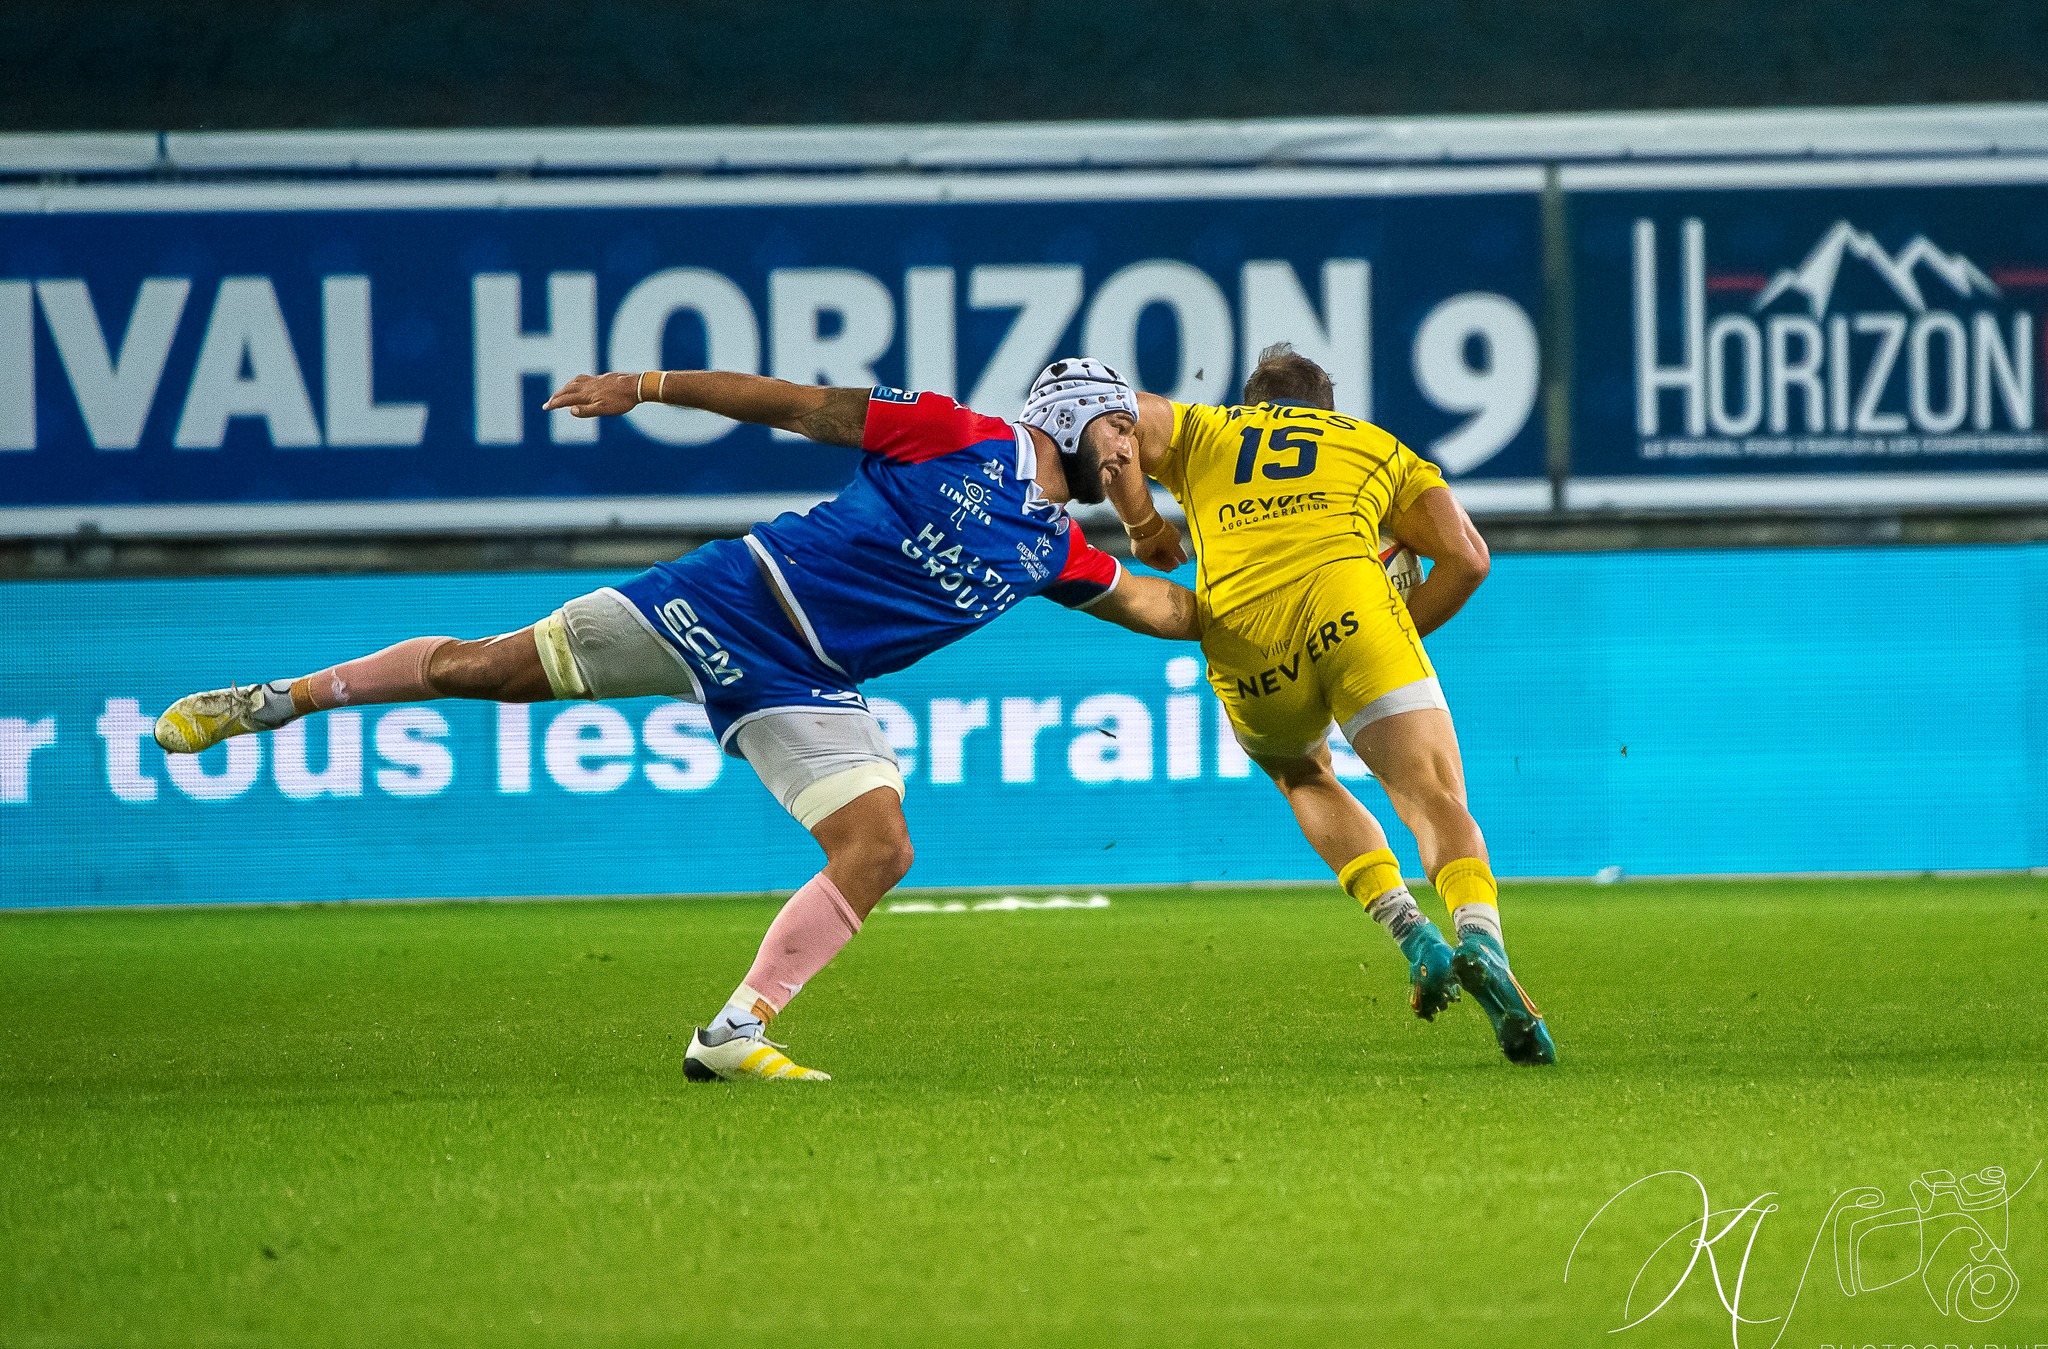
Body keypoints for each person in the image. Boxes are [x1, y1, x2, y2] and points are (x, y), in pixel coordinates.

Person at [155, 359, 1200, 1081]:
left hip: (808, 678)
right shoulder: (961, 434)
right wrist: (645, 388)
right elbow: (793, 404)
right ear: (1077, 416)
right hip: (727, 599)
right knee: (487, 669)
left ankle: (734, 1033)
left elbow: (1166, 608)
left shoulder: (1058, 550)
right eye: (1125, 423)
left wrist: (1295, 595)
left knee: (878, 846)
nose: (1137, 441)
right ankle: (277, 701)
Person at [1108, 343, 1554, 1065]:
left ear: (1250, 405)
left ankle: (1412, 933)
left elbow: (1114, 427)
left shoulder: (1203, 430)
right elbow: (1469, 557)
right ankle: (1478, 937)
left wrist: (1145, 528)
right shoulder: (1372, 445)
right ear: (1326, 412)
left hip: (1246, 634)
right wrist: (1387, 625)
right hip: (1355, 611)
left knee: (1303, 773)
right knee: (1429, 792)